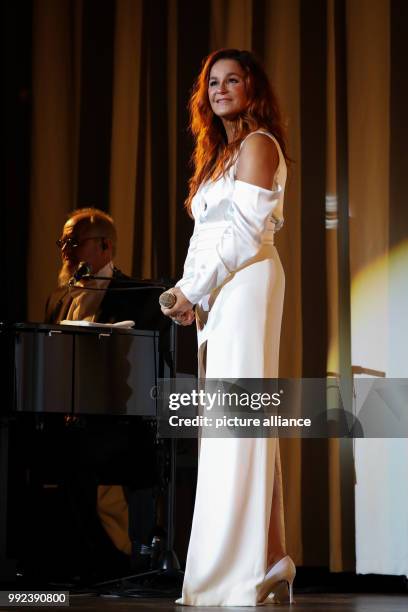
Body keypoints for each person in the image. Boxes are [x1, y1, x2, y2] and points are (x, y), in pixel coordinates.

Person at [161, 49, 295, 605]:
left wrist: (193, 289)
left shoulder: (260, 145)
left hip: (247, 285)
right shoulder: (221, 156)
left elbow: (242, 233)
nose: (219, 89)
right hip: (220, 293)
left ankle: (237, 573)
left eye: (231, 80)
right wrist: (188, 293)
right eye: (212, 82)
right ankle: (271, 560)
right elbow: (206, 237)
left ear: (251, 88)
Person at [42, 208, 163, 579]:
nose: (66, 249)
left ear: (106, 247)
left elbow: (147, 365)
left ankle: (118, 562)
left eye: (75, 242)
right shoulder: (58, 298)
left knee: (88, 457)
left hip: (121, 421)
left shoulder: (140, 296)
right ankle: (70, 562)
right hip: (69, 418)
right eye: (63, 242)